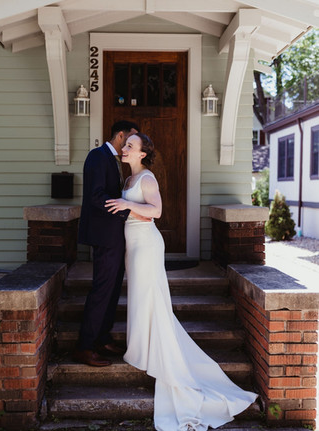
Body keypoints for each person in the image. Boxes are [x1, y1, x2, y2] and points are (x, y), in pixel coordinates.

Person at [105, 133, 258, 431]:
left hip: (147, 245)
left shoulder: (147, 179)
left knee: (150, 297)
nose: (123, 149)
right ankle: (141, 349)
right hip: (132, 244)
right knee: (139, 298)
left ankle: (160, 356)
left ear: (143, 154)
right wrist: (124, 202)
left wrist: (126, 204)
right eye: (125, 146)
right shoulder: (127, 180)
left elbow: (157, 212)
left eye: (130, 147)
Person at [75, 120, 139, 367]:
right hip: (104, 235)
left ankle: (102, 338)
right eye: (131, 140)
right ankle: (85, 346)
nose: (131, 145)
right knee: (102, 290)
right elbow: (96, 196)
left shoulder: (115, 160)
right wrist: (126, 211)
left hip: (116, 237)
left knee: (112, 290)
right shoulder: (97, 156)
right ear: (120, 135)